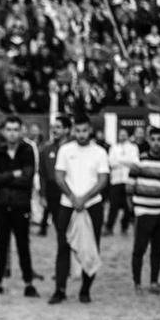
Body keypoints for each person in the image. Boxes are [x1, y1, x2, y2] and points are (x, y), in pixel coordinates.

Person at [49, 116, 109, 305]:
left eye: (84, 130)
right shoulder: (65, 150)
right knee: (63, 247)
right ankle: (60, 289)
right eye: (78, 130)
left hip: (92, 205)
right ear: (73, 130)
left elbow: (103, 179)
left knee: (91, 247)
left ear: (90, 130)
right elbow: (59, 176)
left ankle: (85, 290)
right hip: (68, 204)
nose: (81, 134)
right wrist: (73, 197)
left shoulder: (99, 152)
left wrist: (84, 198)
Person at [0, 116, 39, 298]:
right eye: (9, 129)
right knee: (1, 246)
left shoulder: (27, 150)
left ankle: (28, 283)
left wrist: (4, 178)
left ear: (21, 130)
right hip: (1, 204)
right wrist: (13, 174)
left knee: (23, 245)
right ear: (3, 131)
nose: (12, 133)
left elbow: (27, 179)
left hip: (20, 204)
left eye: (15, 129)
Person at [127, 128, 160, 293]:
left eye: (159, 140)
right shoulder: (139, 161)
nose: (156, 143)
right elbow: (129, 189)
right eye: (153, 139)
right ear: (148, 140)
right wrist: (133, 211)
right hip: (143, 211)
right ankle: (137, 282)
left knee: (157, 250)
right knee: (139, 249)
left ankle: (154, 281)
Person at [38, 117, 71, 236]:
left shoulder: (74, 149)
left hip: (71, 189)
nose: (54, 130)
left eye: (58, 127)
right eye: (53, 127)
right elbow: (42, 174)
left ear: (67, 130)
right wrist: (42, 195)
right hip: (53, 190)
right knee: (60, 228)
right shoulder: (46, 150)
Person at [106, 127, 139, 236]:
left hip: (128, 180)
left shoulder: (133, 147)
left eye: (124, 134)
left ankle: (124, 227)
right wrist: (126, 162)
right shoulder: (113, 148)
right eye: (120, 134)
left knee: (127, 206)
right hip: (116, 180)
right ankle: (109, 227)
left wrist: (119, 161)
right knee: (113, 205)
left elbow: (135, 163)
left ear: (128, 135)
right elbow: (111, 163)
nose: (122, 136)